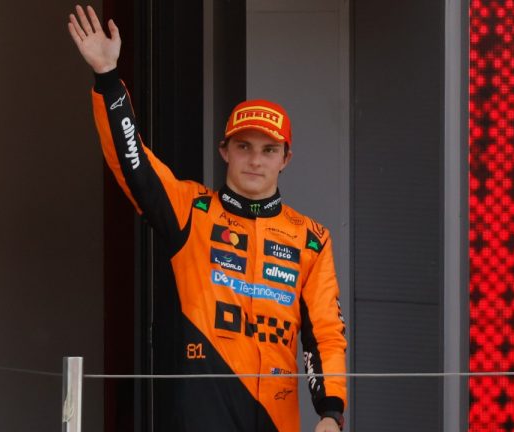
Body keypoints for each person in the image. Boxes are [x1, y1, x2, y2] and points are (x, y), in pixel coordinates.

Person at [68, 5, 347, 431]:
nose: (255, 160)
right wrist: (108, 78)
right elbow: (132, 162)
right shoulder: (191, 210)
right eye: (243, 147)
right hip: (200, 416)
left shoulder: (311, 238)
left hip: (277, 417)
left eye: (268, 150)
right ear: (224, 152)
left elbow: (324, 332)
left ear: (286, 159)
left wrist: (331, 412)